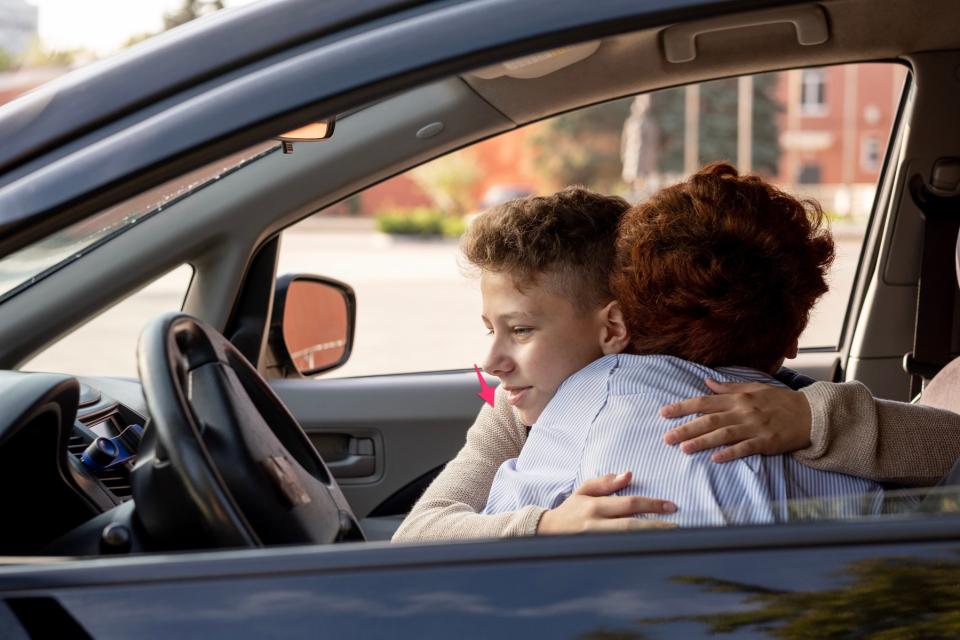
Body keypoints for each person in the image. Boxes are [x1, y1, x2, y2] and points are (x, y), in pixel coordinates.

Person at [392, 170, 960, 541]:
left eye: (519, 329)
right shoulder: (511, 411)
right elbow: (422, 532)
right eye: (491, 328)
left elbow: (944, 445)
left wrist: (813, 418)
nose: (490, 360)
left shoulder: (767, 403)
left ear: (618, 324)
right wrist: (542, 527)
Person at [481, 163, 879, 526]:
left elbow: (464, 554)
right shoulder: (844, 447)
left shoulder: (590, 398)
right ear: (793, 337)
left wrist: (543, 526)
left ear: (626, 318)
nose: (492, 362)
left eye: (520, 330)